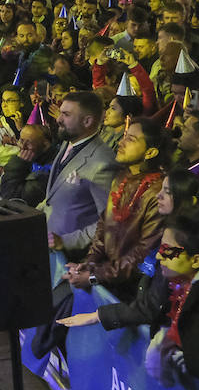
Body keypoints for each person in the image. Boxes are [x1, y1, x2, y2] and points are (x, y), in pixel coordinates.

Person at [59, 205, 199, 387]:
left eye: (168, 250)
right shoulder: (181, 274)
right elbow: (149, 305)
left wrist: (177, 356)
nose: (158, 255)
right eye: (161, 247)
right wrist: (98, 315)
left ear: (196, 260)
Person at [63, 117, 170, 300]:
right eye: (124, 136)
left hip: (131, 289)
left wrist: (95, 276)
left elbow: (143, 253)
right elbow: (104, 225)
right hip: (106, 274)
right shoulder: (122, 178)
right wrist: (89, 263)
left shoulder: (158, 192)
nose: (121, 142)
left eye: (131, 139)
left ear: (150, 152)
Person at [42, 91, 116, 251]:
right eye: (60, 113)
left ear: (87, 121)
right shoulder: (68, 141)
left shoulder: (103, 162)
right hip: (47, 246)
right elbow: (52, 197)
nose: (58, 119)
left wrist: (65, 242)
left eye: (66, 115)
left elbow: (108, 222)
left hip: (71, 258)